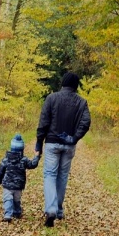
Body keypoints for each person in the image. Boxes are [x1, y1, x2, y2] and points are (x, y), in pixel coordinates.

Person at [35, 72, 91, 227]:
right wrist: (74, 138)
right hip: (69, 146)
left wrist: (39, 144)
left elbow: (43, 123)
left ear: (63, 83)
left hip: (52, 143)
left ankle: (51, 209)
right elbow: (86, 122)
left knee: (50, 174)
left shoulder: (52, 98)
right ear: (76, 85)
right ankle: (58, 210)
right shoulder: (82, 102)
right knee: (62, 176)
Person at [0, 133, 41, 222]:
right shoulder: (24, 160)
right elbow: (33, 164)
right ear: (22, 149)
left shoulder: (6, 159)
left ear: (11, 148)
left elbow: (0, 171)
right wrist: (37, 156)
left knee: (8, 199)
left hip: (7, 185)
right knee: (16, 199)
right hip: (19, 185)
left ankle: (8, 215)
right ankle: (17, 212)